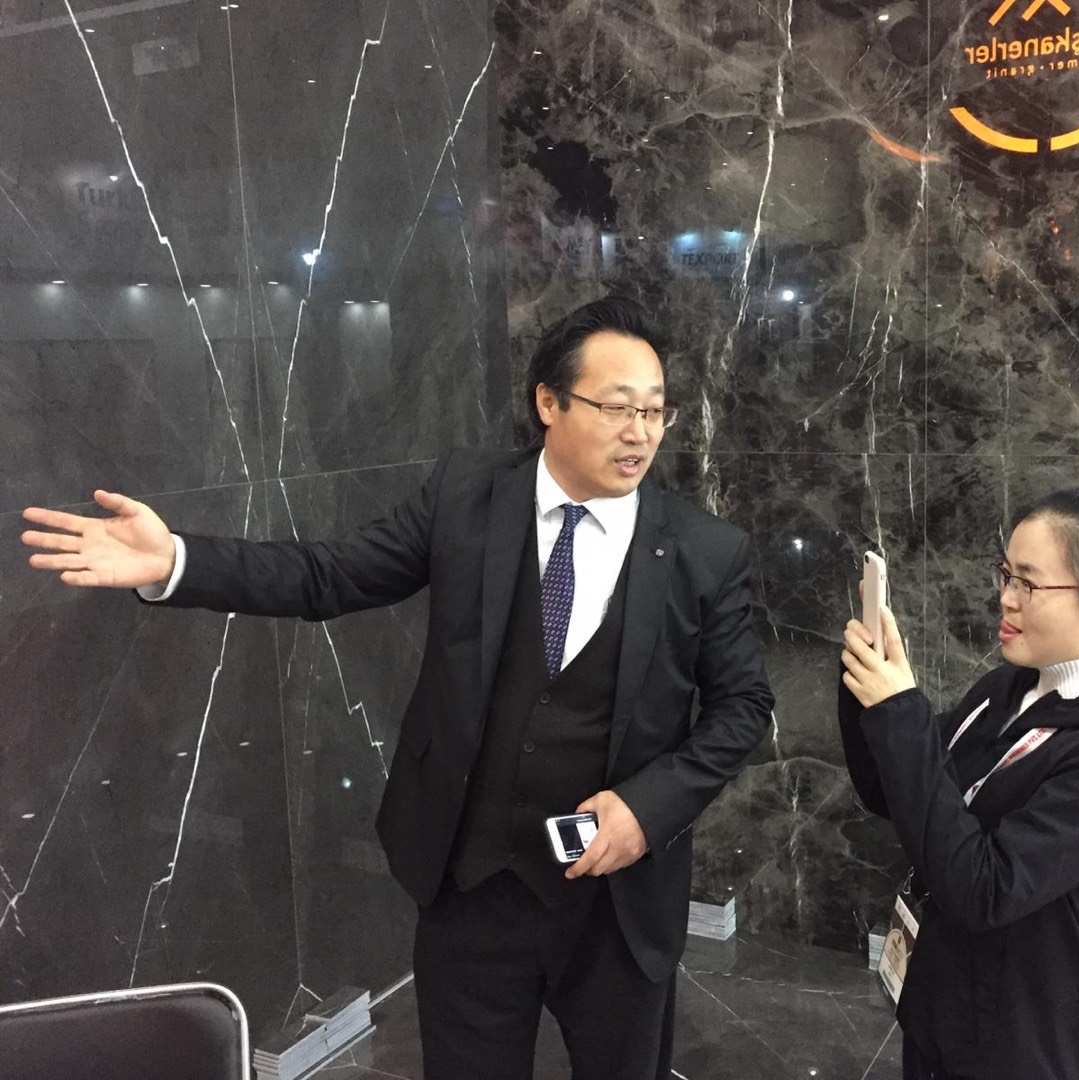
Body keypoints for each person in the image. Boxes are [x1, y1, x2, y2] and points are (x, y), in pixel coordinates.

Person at [20, 296, 775, 1080]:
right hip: (469, 885)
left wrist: (647, 810)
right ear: (549, 403)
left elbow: (744, 706)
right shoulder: (466, 497)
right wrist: (177, 561)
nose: (640, 433)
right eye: (617, 408)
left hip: (617, 903)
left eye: (655, 411)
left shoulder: (703, 550)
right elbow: (330, 574)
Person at [838, 488, 1079, 1080]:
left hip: (1024, 1039)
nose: (1005, 598)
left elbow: (984, 888)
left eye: (1028, 584)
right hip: (947, 1003)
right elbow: (898, 793)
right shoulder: (1009, 688)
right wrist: (868, 691)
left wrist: (900, 712)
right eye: (1006, 574)